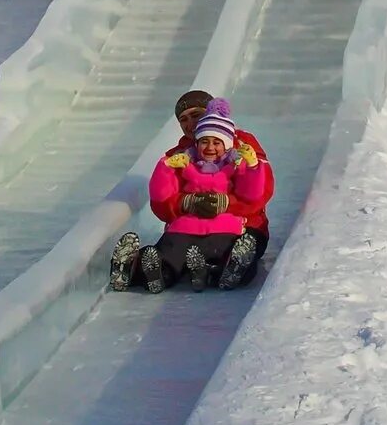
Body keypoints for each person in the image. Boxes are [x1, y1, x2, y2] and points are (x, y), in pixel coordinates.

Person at [109, 91, 274, 291]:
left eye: (196, 115)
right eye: (183, 120)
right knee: (174, 250)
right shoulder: (178, 156)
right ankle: (138, 268)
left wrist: (226, 203)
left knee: (234, 248)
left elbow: (260, 191)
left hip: (245, 226)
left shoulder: (242, 147)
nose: (190, 124)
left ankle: (227, 268)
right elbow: (161, 203)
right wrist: (185, 203)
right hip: (191, 229)